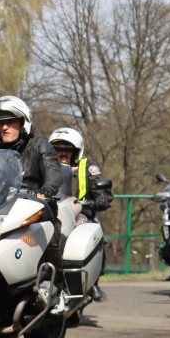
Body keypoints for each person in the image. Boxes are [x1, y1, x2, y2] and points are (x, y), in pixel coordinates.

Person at [0, 96, 68, 312]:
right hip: (1, 215)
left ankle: (59, 290)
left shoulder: (40, 145)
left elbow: (54, 174)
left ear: (23, 122)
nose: (4, 127)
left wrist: (45, 192)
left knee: (48, 238)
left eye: (10, 121)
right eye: (0, 123)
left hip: (36, 212)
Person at [48, 127, 112, 302]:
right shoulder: (45, 169)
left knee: (89, 231)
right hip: (52, 212)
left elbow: (102, 189)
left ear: (76, 151)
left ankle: (92, 281)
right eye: (58, 149)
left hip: (80, 213)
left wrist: (101, 198)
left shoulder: (87, 167)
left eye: (67, 149)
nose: (63, 153)